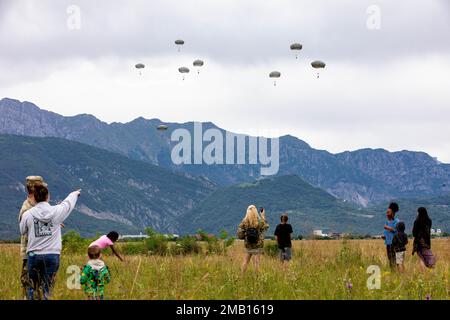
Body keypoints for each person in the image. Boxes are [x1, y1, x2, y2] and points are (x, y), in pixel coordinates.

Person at [19, 184, 81, 300]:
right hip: (52, 255)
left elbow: (22, 231)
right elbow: (67, 204)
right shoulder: (56, 211)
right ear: (48, 196)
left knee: (32, 286)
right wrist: (74, 194)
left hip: (34, 254)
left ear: (35, 198)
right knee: (47, 287)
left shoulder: (28, 214)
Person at [18, 176, 47, 299]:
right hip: (31, 254)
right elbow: (27, 231)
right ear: (35, 189)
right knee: (30, 286)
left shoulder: (38, 206)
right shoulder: (26, 209)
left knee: (41, 287)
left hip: (42, 253)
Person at [237, 205, 269, 273]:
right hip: (258, 244)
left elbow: (239, 234)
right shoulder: (259, 222)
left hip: (248, 244)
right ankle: (256, 278)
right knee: (256, 263)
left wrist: (245, 236)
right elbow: (266, 227)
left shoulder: (244, 222)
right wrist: (263, 216)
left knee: (245, 261)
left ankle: (241, 276)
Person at [383, 202, 400, 269]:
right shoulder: (386, 222)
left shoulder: (397, 221)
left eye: (388, 212)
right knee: (390, 258)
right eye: (387, 212)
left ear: (392, 213)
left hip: (394, 243)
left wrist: (387, 227)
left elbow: (396, 230)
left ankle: (397, 272)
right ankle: (393, 272)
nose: (387, 214)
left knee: (395, 259)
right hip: (388, 243)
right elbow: (386, 232)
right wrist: (384, 236)